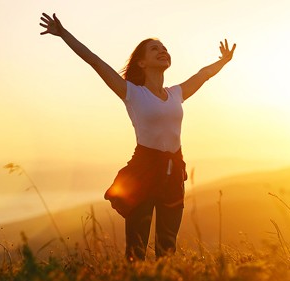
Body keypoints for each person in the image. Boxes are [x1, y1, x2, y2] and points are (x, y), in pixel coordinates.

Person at [39, 13, 236, 261]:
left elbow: (203, 75)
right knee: (136, 248)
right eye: (155, 49)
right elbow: (95, 62)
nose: (162, 51)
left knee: (167, 247)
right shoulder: (131, 92)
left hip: (174, 171)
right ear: (141, 63)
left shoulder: (177, 93)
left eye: (164, 48)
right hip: (143, 171)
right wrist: (64, 34)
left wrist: (224, 61)